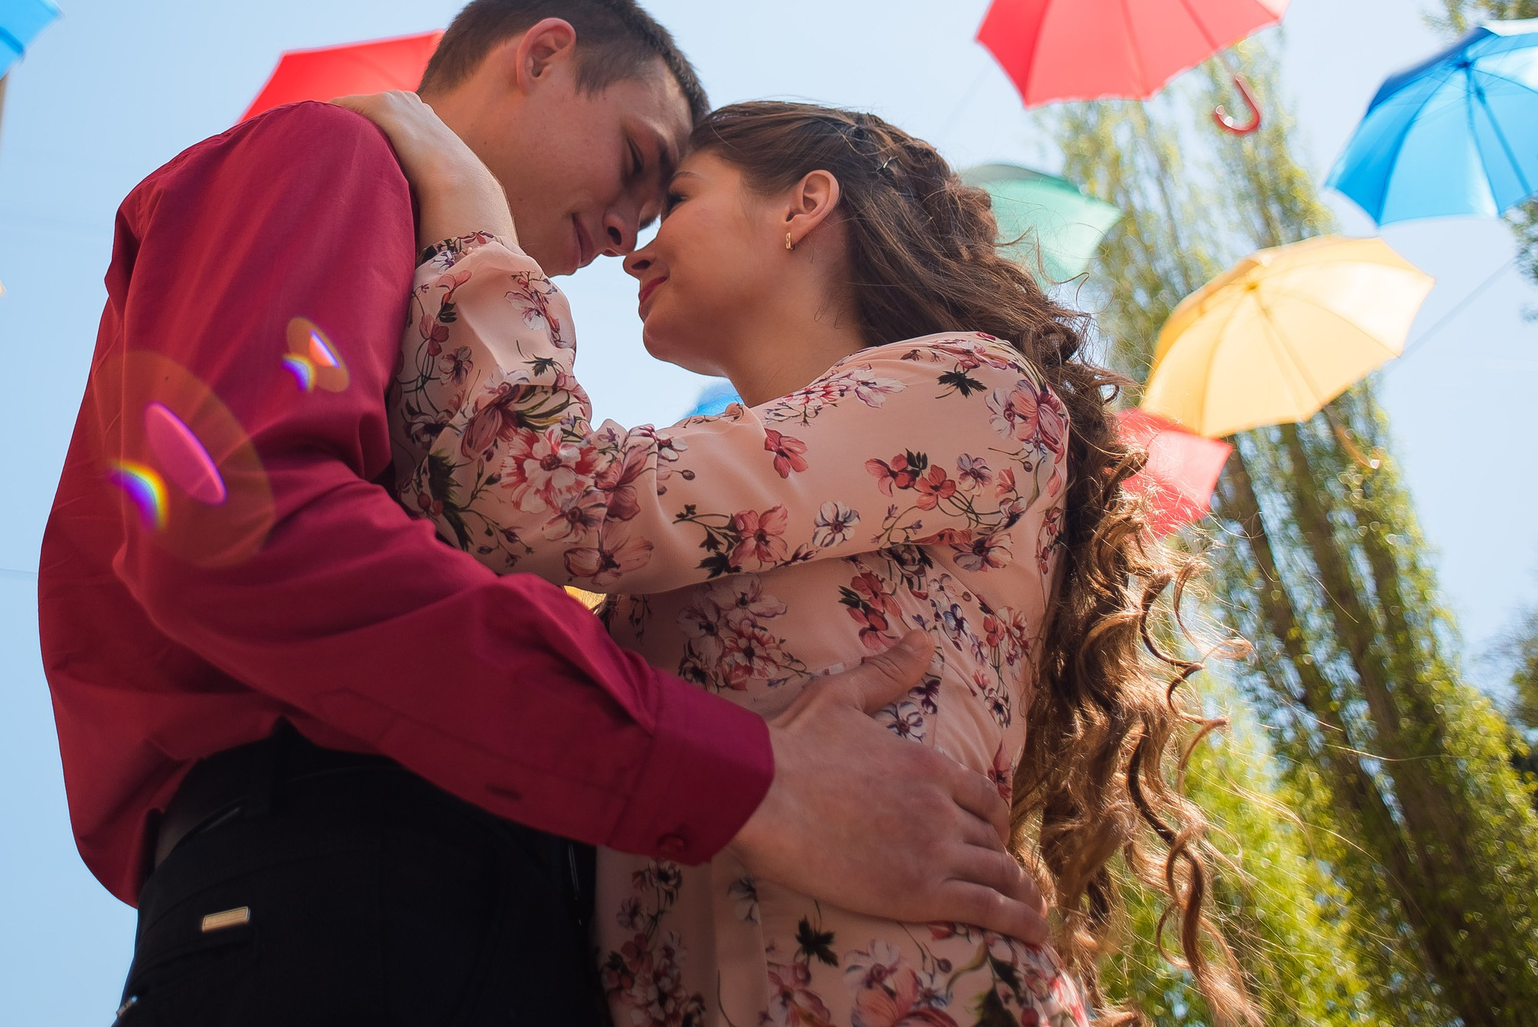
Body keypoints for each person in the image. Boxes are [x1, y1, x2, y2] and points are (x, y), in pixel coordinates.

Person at [41, 0, 1047, 1026]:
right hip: (354, 867)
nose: (625, 237)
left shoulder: (919, 417)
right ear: (542, 54)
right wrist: (743, 774)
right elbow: (242, 532)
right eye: (636, 163)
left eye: (665, 204)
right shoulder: (331, 153)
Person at [339, 91, 1256, 1027]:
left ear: (804, 204)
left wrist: (468, 203)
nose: (635, 253)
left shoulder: (975, 391)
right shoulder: (714, 520)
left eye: (682, 199)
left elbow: (537, 494)